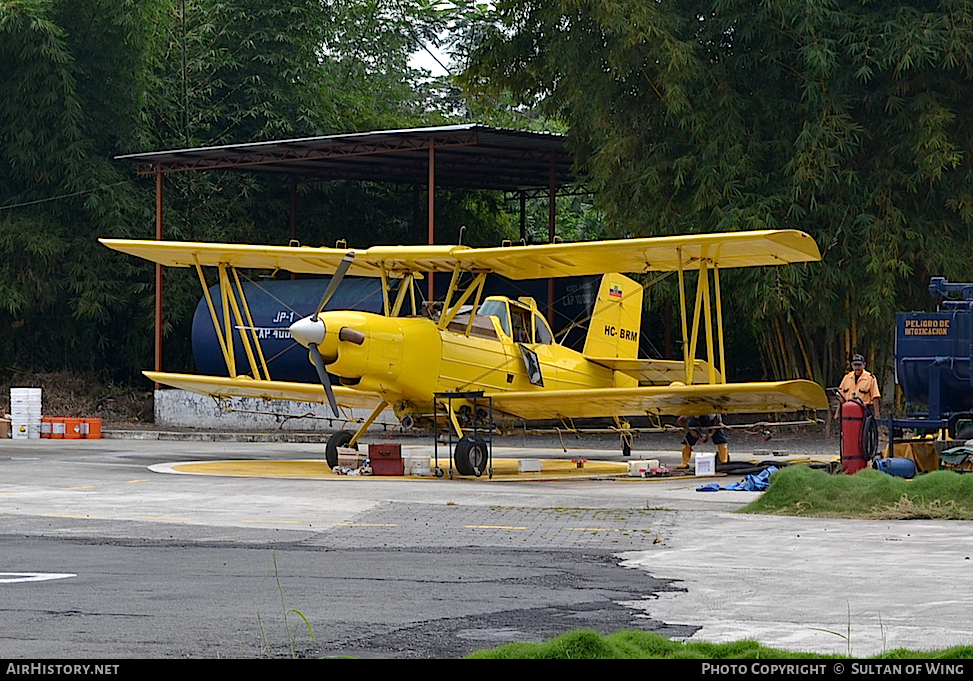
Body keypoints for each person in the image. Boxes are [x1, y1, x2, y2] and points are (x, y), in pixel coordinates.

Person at [835, 353, 880, 420]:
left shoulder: (870, 378)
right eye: (855, 365)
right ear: (852, 365)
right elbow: (841, 397)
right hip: (848, 411)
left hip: (864, 410)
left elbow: (875, 397)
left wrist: (877, 414)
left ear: (864, 365)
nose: (857, 367)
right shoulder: (847, 378)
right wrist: (837, 413)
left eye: (859, 365)